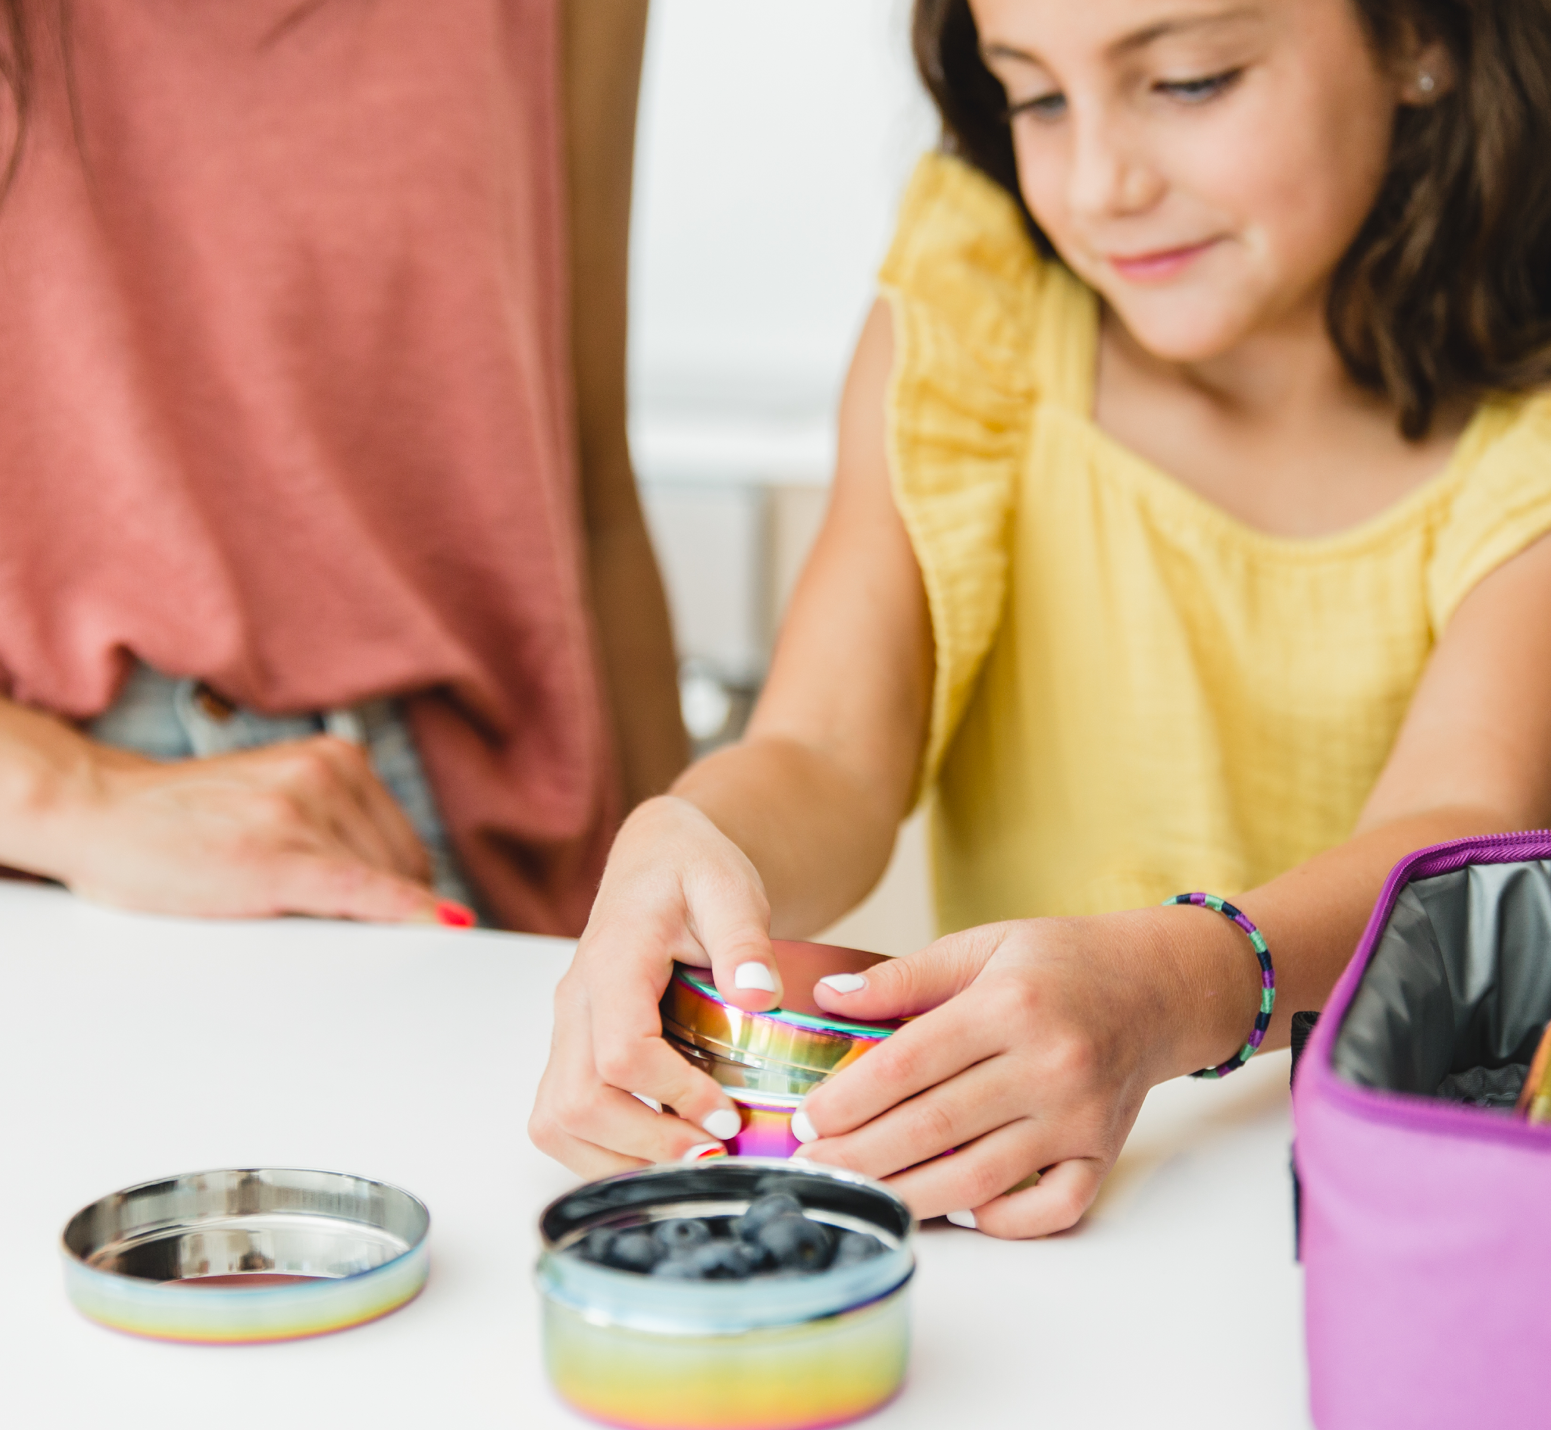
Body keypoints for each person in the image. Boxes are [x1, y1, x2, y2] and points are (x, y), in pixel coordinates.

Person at [532, 0, 1551, 1235]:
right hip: (1025, 1230)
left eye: (1188, 81)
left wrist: (1174, 989)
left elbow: (1455, 837)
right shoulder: (977, 302)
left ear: (1424, 37)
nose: (1101, 184)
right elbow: (828, 753)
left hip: (1377, 1228)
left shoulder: (1528, 434)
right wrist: (694, 833)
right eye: (1037, 96)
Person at [0, 0, 686, 933]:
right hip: (56, 862)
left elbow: (590, 494)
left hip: (487, 850)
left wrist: (677, 905)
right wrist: (75, 793)